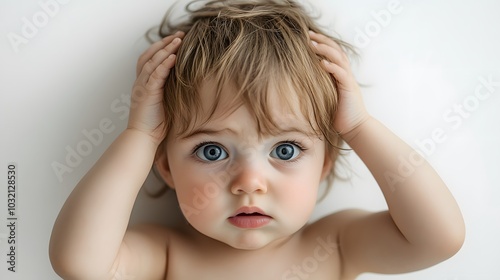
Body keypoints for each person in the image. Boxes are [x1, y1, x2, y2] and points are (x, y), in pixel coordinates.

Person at [49, 0, 465, 279]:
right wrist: (141, 135)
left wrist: (359, 128)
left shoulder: (336, 243)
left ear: (324, 164)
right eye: (211, 151)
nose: (249, 181)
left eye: (285, 150)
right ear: (165, 167)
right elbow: (79, 264)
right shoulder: (167, 254)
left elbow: (439, 238)